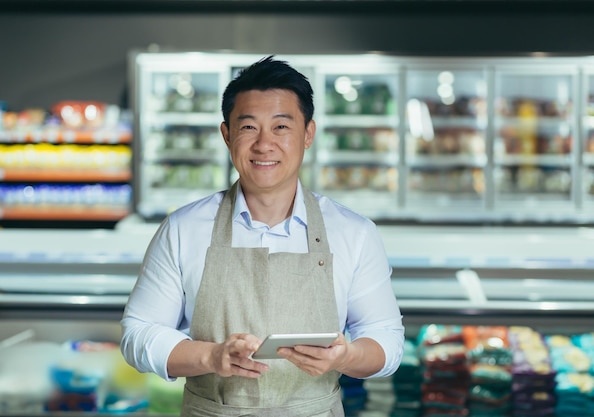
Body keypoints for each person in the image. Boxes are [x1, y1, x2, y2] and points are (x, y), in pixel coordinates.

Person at [120, 55, 405, 416]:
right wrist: (211, 355)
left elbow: (387, 341)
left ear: (308, 134)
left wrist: (346, 356)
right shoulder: (183, 229)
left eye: (281, 127)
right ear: (227, 135)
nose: (264, 144)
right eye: (249, 127)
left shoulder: (354, 233)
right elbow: (138, 333)